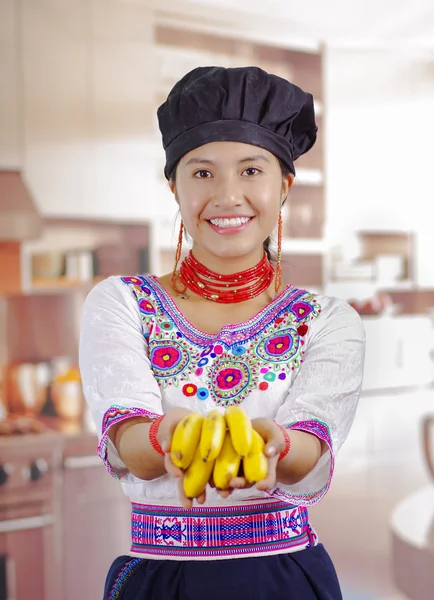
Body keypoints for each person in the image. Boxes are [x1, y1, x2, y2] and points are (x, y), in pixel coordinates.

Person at [79, 65, 365, 600]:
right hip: (162, 582)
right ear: (175, 187)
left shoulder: (327, 320)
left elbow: (309, 448)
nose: (228, 195)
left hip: (286, 581)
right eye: (203, 173)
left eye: (252, 171)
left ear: (284, 186)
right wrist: (168, 437)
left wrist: (276, 445)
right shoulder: (122, 303)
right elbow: (131, 439)